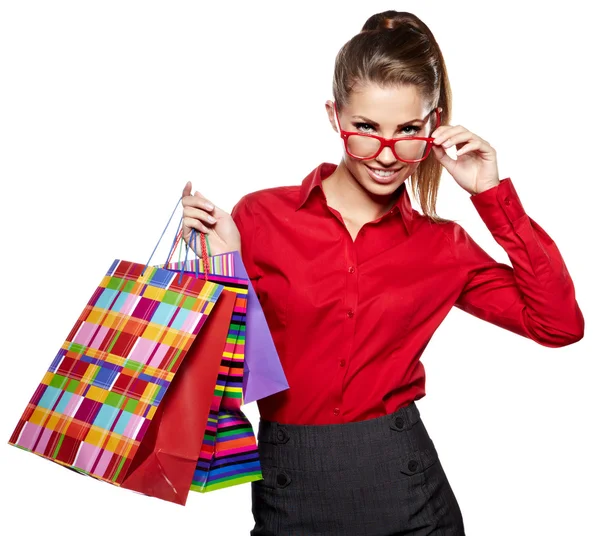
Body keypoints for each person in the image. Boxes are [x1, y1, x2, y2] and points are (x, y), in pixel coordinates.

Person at [179, 10, 584, 535]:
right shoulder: (259, 219)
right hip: (288, 492)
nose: (386, 154)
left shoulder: (443, 246)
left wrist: (491, 196)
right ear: (334, 116)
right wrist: (220, 269)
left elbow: (559, 324)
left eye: (408, 130)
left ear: (434, 126)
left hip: (409, 494)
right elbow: (224, 369)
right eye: (365, 128)